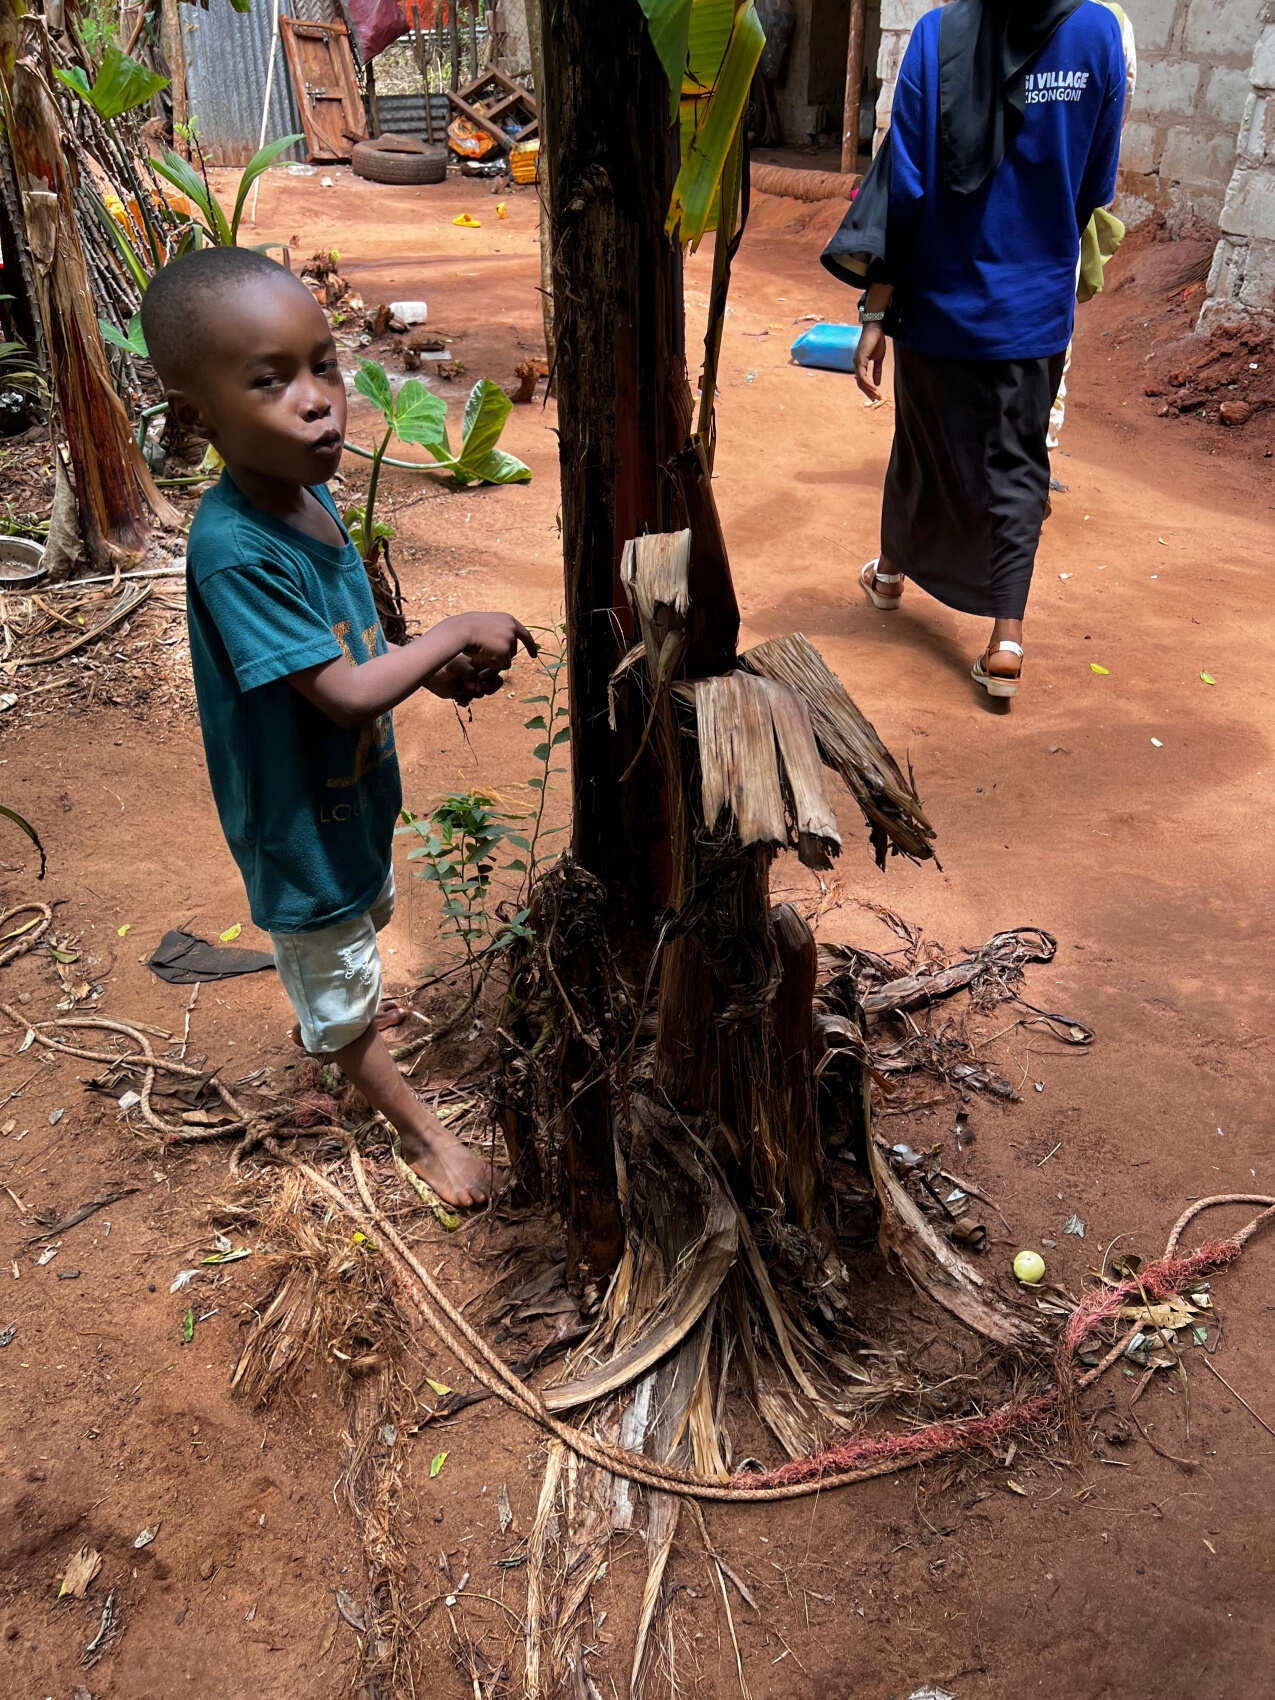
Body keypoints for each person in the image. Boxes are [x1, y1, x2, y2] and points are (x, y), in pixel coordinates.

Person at [141, 248, 536, 1206]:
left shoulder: (305, 497)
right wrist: (446, 632)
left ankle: (341, 1016)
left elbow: (350, 650)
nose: (318, 399)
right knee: (337, 976)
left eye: (323, 363)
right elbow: (348, 694)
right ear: (199, 416)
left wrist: (433, 674)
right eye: (270, 380)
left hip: (347, 807)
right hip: (299, 834)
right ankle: (425, 1135)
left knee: (361, 927)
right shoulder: (235, 548)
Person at [821, 0, 1127, 700]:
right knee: (1018, 463)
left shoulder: (936, 35)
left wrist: (874, 306)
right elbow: (1094, 182)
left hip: (938, 301)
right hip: (1033, 306)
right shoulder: (1097, 32)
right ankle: (1004, 641)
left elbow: (904, 186)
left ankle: (892, 577)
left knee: (922, 439)